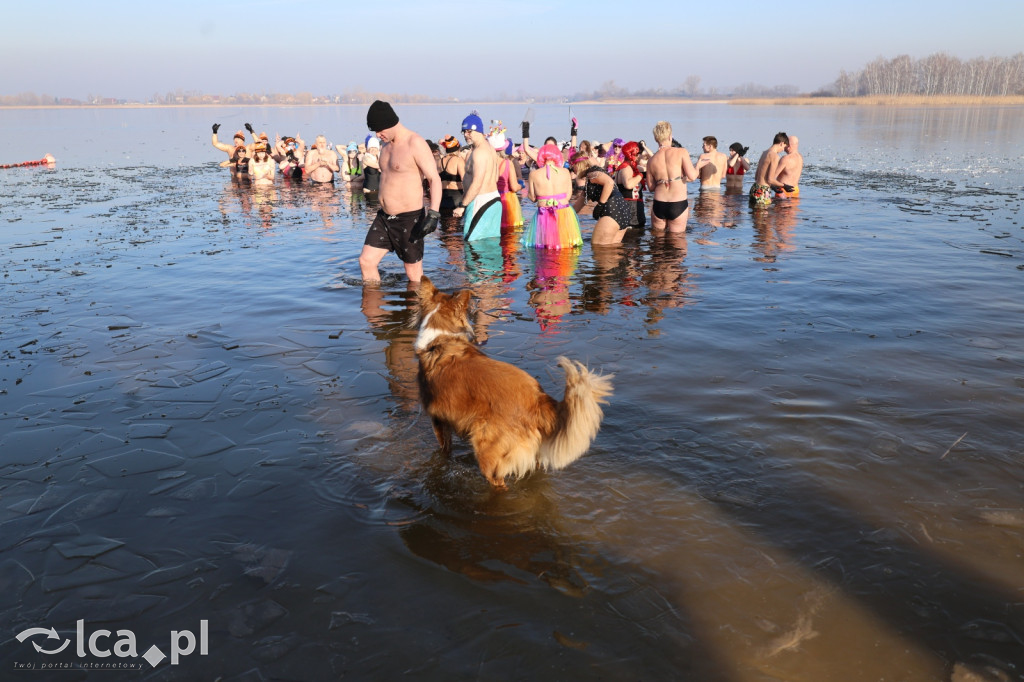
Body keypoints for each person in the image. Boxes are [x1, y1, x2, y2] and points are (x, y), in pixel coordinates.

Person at [358, 100, 441, 283]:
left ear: (390, 123)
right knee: (366, 261)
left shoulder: (415, 143)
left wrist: (433, 214)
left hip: (409, 218)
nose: (378, 135)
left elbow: (434, 178)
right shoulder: (386, 146)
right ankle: (374, 309)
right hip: (384, 217)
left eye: (380, 131)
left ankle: (416, 310)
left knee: (413, 275)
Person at [522, 143, 582, 249]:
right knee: (565, 247)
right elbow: (568, 196)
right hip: (564, 212)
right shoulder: (565, 172)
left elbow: (532, 198)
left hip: (544, 213)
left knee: (545, 248)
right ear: (557, 156)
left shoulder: (533, 174)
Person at [454, 112, 502, 241]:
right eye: (463, 132)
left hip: (480, 202)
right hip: (494, 200)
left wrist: (462, 206)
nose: (465, 135)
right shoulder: (490, 149)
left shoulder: (479, 153)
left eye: (469, 131)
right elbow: (496, 177)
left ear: (478, 130)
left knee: (473, 245)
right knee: (490, 246)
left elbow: (477, 182)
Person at [645, 121, 699, 233]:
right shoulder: (681, 152)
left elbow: (650, 187)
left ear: (656, 139)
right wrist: (698, 165)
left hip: (659, 204)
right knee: (678, 243)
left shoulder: (651, 160)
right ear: (670, 137)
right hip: (677, 203)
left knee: (658, 245)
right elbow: (693, 176)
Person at [570, 151, 633, 245]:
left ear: (578, 165)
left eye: (572, 165)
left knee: (598, 248)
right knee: (613, 250)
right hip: (624, 211)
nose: (571, 168)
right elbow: (578, 205)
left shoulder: (592, 174)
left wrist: (600, 205)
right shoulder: (590, 180)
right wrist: (566, 216)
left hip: (612, 210)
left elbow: (609, 183)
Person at [489, 124, 524, 232]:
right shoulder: (508, 163)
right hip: (505, 199)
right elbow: (514, 187)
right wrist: (521, 185)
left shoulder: (486, 162)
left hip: (490, 198)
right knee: (508, 233)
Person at [750, 132, 788, 207]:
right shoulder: (775, 156)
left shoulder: (764, 153)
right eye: (784, 147)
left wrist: (773, 187)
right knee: (764, 217)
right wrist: (784, 186)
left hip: (754, 188)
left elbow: (756, 176)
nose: (783, 150)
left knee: (755, 216)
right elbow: (770, 179)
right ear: (781, 143)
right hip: (763, 191)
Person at [615, 141, 646, 228]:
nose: (639, 156)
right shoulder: (626, 168)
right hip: (630, 208)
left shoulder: (626, 166)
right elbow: (628, 184)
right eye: (638, 154)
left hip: (629, 207)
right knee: (632, 238)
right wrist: (641, 176)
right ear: (633, 154)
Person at [437, 134, 465, 216]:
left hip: (442, 199)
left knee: (444, 225)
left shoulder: (439, 161)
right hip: (456, 198)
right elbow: (464, 180)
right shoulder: (458, 160)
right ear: (457, 148)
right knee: (457, 227)